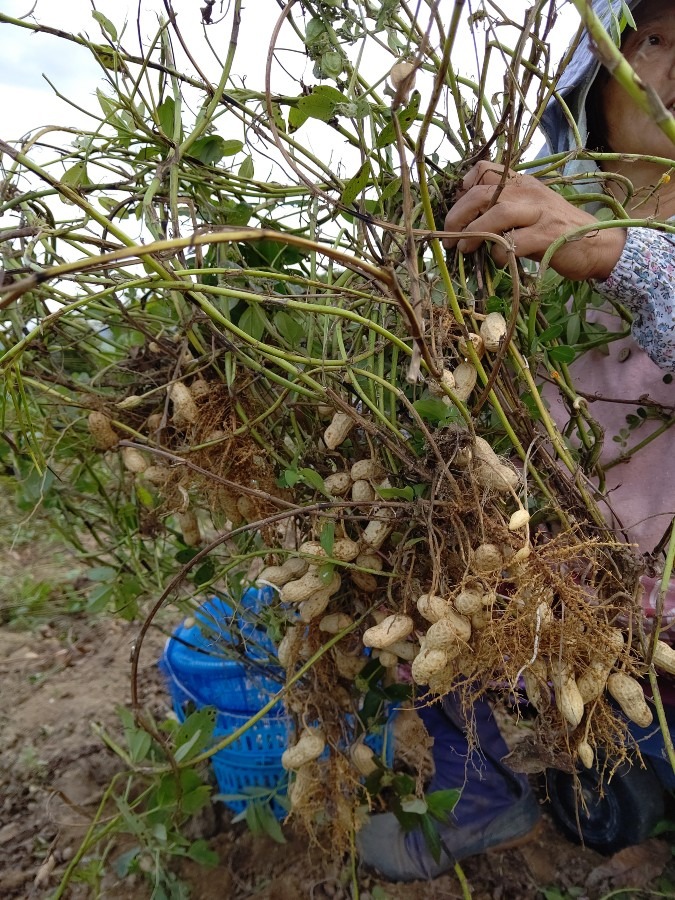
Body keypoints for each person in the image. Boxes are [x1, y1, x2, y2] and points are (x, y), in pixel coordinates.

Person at [357, 0, 675, 881]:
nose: (672, 65)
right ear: (591, 84)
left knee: (619, 790)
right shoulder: (533, 208)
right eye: (651, 38)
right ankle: (487, 790)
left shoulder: (588, 232)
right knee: (438, 607)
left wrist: (620, 254)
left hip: (660, 586)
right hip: (551, 556)